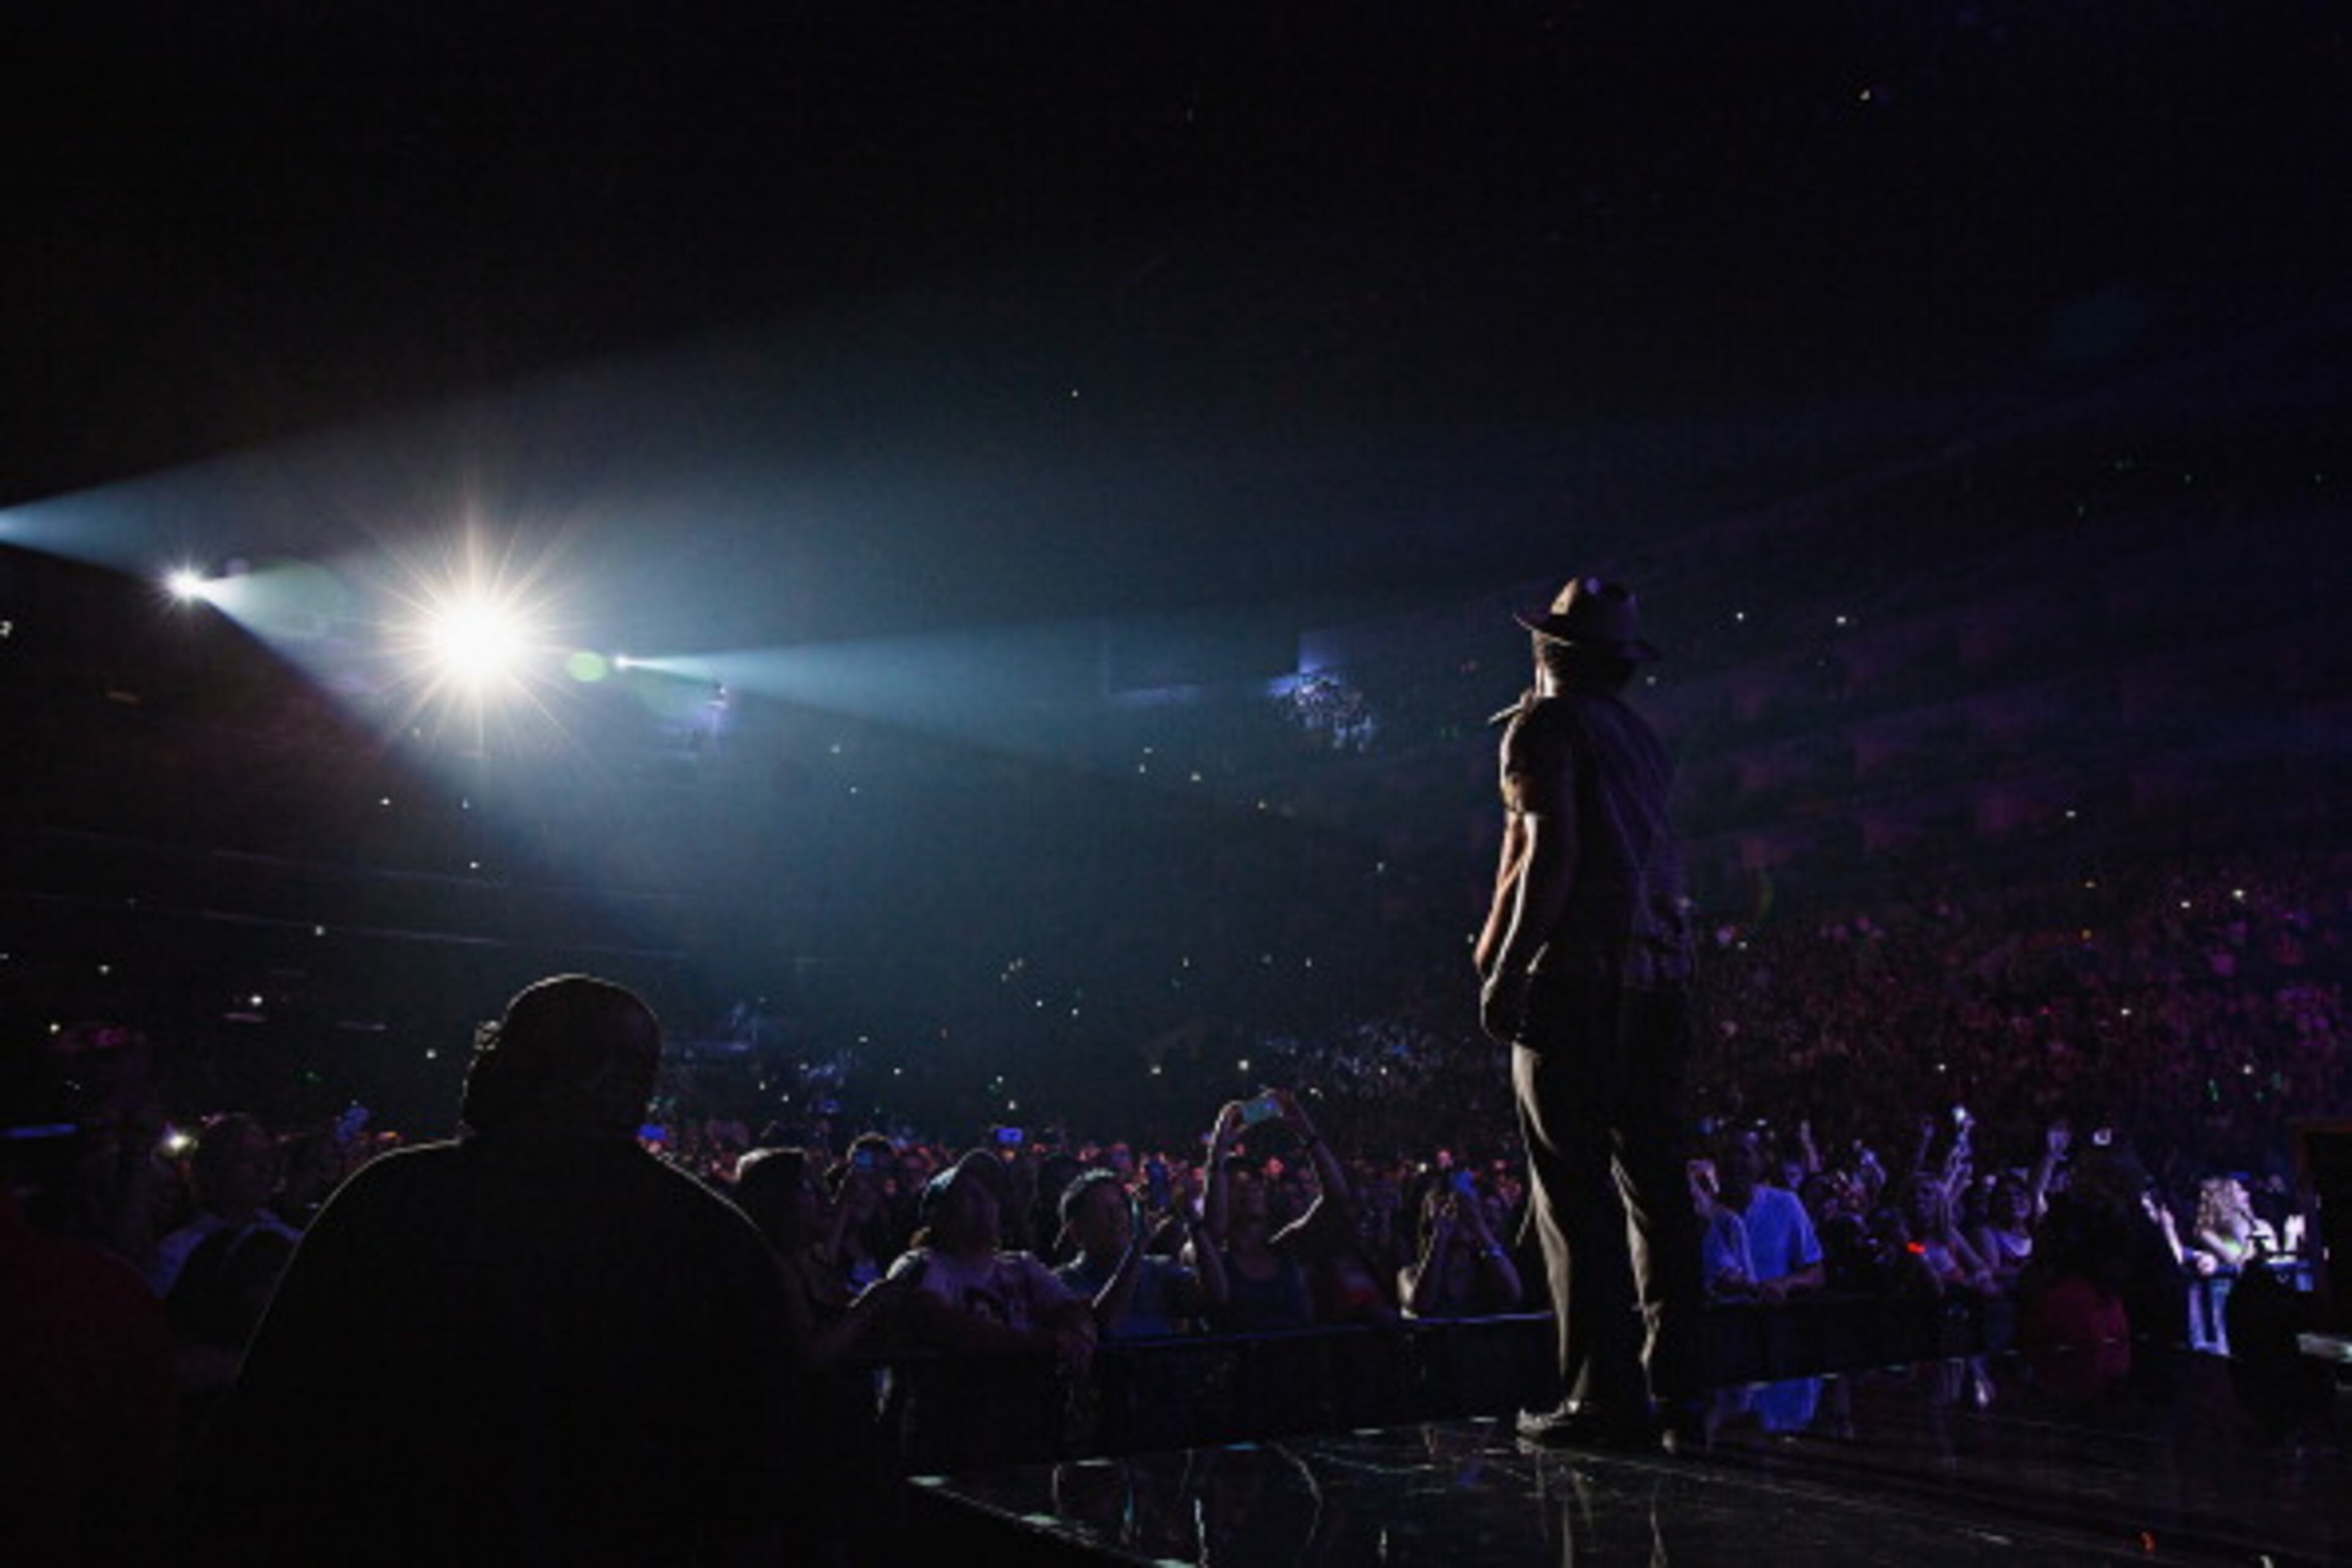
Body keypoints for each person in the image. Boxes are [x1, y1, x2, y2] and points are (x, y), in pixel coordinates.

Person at [194, 974, 801, 1564]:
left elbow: (270, 1424)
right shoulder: (712, 1235)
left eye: (501, 1046)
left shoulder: (393, 1198)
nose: (479, 1064)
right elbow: (761, 1472)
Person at [1474, 577, 1705, 1452]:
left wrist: (1505, 967)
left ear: (1549, 650)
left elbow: (1550, 852)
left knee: (1571, 1190)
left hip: (1578, 980)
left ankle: (1601, 1398)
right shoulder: (1641, 740)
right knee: (1657, 1189)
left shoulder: (1545, 726)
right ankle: (1679, 1390)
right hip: (1661, 979)